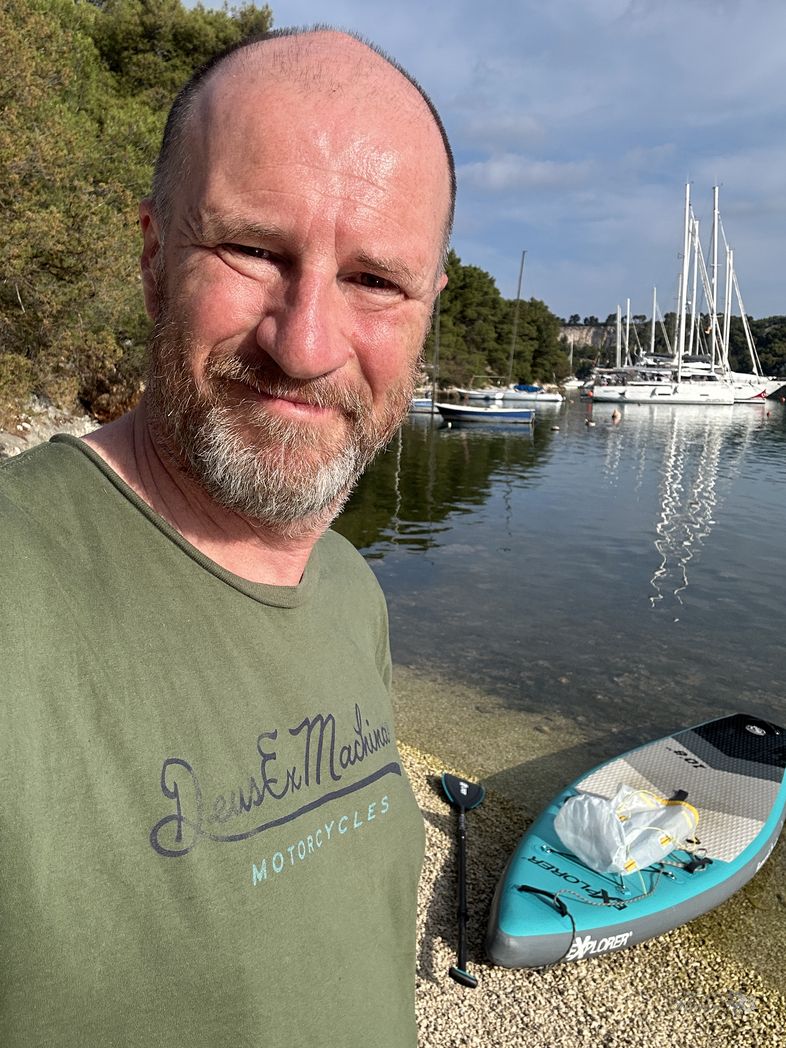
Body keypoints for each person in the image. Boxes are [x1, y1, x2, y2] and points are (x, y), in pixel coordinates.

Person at [0, 27, 454, 1048]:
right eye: (254, 250)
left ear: (428, 309)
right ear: (154, 257)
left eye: (375, 280)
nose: (305, 343)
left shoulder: (351, 591)